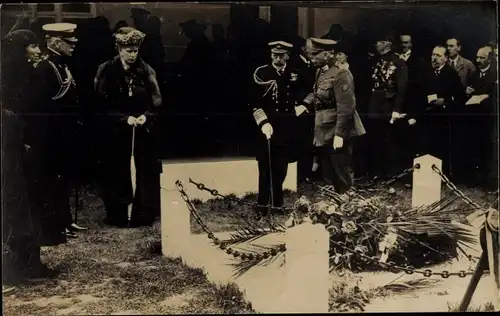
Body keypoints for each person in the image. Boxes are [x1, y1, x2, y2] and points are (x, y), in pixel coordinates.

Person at [22, 23, 87, 245]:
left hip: (62, 132)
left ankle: (65, 220)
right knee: (51, 179)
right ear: (56, 43)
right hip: (49, 134)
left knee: (62, 177)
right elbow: (38, 106)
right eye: (70, 43)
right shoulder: (45, 68)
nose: (73, 47)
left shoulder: (61, 66)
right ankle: (58, 222)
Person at [95, 26, 162, 228]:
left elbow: (156, 101)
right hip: (115, 132)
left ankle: (143, 213)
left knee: (143, 170)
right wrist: (123, 119)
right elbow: (100, 104)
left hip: (141, 131)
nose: (133, 55)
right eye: (128, 51)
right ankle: (118, 214)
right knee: (116, 170)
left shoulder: (147, 70)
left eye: (135, 50)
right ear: (119, 49)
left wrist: (146, 116)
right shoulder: (106, 70)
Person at [1, 29, 44, 293]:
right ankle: (11, 268)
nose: (38, 51)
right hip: (8, 151)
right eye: (33, 46)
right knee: (12, 204)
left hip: (20, 147)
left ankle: (24, 264)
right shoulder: (6, 74)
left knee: (25, 205)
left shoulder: (25, 73)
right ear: (20, 49)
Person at [250, 41, 309, 218]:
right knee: (265, 167)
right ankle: (261, 204)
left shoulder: (295, 73)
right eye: (275, 55)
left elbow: (308, 91)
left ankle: (277, 204)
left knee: (281, 167)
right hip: (267, 126)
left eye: (281, 55)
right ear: (270, 55)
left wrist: (304, 105)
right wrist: (263, 123)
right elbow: (254, 103)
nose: (278, 58)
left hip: (287, 127)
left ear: (287, 56)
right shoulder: (261, 73)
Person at [301, 38, 366, 194]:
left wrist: (339, 134)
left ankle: (348, 211)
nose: (312, 57)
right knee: (329, 174)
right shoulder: (320, 72)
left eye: (316, 54)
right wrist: (304, 105)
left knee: (342, 173)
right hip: (324, 130)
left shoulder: (341, 73)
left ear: (328, 54)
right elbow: (317, 94)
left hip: (338, 130)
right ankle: (335, 209)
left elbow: (346, 107)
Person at [367, 34, 408, 181]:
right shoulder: (376, 61)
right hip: (375, 104)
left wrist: (397, 109)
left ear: (387, 43)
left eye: (379, 41)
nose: (376, 44)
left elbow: (401, 87)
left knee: (389, 139)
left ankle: (391, 172)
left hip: (388, 105)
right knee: (376, 138)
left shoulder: (398, 62)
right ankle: (377, 171)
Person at [421, 45, 465, 177]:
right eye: (433, 55)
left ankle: (443, 174)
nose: (434, 58)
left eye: (438, 56)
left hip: (444, 117)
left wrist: (445, 100)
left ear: (446, 58)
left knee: (442, 146)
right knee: (427, 144)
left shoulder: (451, 74)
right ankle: (428, 173)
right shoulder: (426, 72)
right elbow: (418, 92)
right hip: (428, 114)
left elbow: (460, 97)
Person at [463, 46, 498, 188]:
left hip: (489, 118)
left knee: (488, 149)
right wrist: (467, 91)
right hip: (474, 118)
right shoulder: (473, 75)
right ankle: (474, 179)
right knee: (474, 147)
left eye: (481, 58)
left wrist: (487, 97)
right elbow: (467, 94)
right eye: (477, 57)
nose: (478, 61)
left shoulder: (495, 75)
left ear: (489, 58)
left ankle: (488, 181)